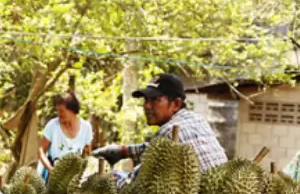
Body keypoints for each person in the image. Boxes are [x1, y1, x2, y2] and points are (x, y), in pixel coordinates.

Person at [93, 74, 227, 173]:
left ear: (176, 104)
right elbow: (155, 149)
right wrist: (124, 151)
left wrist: (111, 178)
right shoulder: (197, 119)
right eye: (146, 100)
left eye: (155, 100)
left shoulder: (169, 131)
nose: (147, 106)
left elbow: (136, 182)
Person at [38, 92, 94, 181]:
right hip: (53, 174)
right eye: (57, 110)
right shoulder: (52, 125)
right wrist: (50, 170)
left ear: (72, 110)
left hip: (75, 176)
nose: (59, 114)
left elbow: (87, 154)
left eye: (61, 111)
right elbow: (41, 151)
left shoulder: (86, 127)